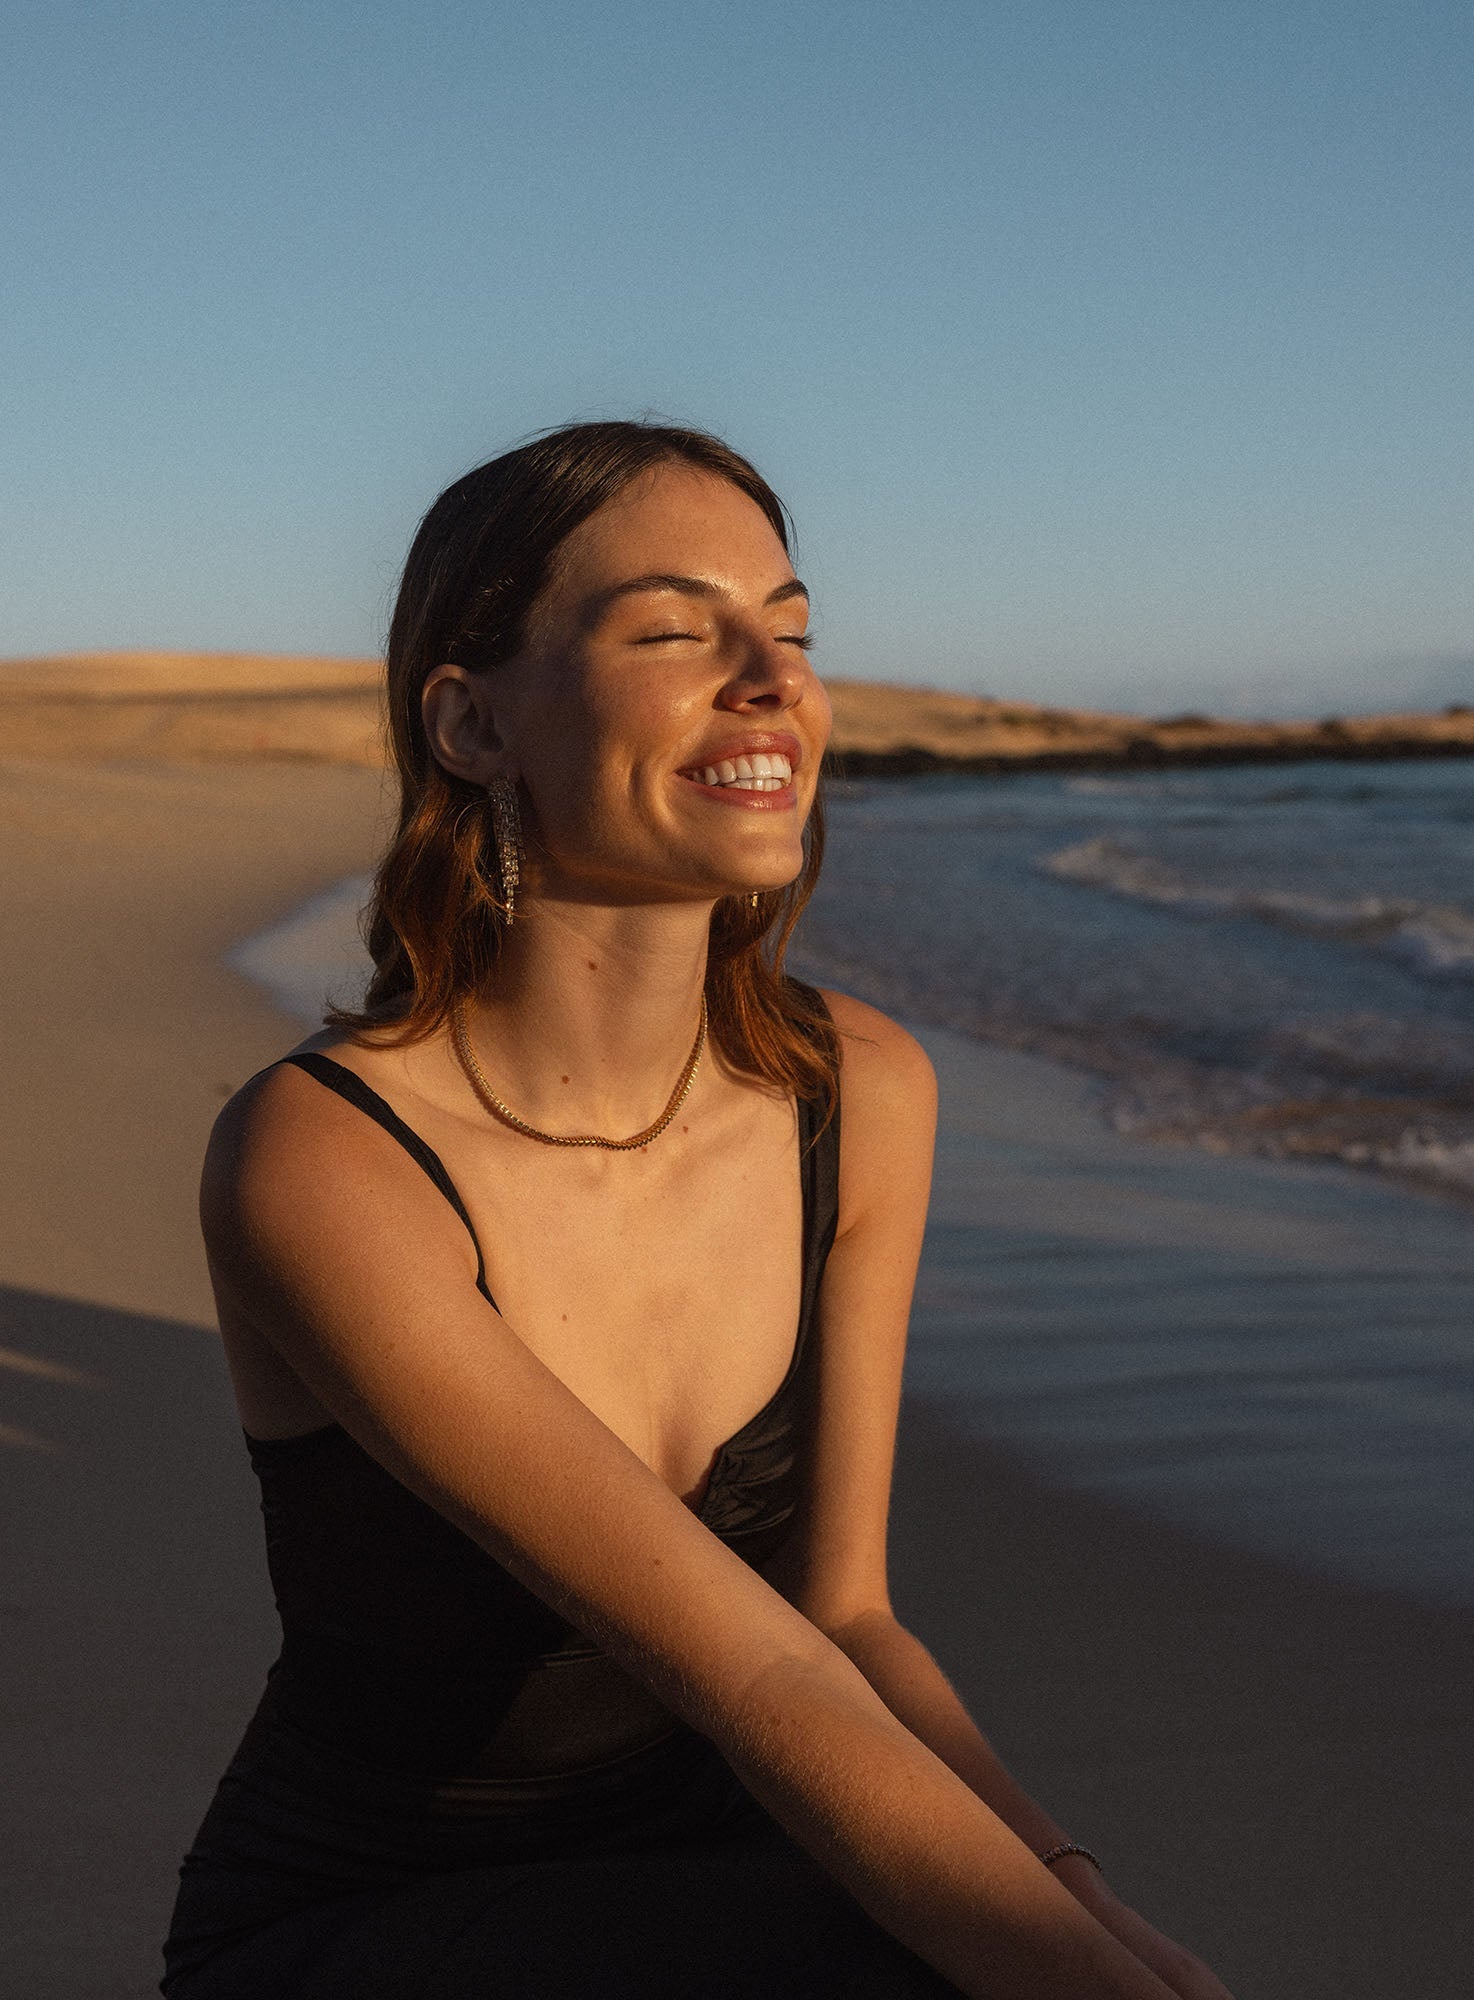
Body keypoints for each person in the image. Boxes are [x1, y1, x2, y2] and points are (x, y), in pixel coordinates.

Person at [162, 421, 1234, 1999]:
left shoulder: (859, 1092)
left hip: (750, 1863)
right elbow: (758, 1676)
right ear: (470, 723)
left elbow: (849, 1627)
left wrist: (1107, 1918)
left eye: (791, 631)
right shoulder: (329, 1162)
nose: (773, 679)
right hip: (382, 1923)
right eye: (675, 629)